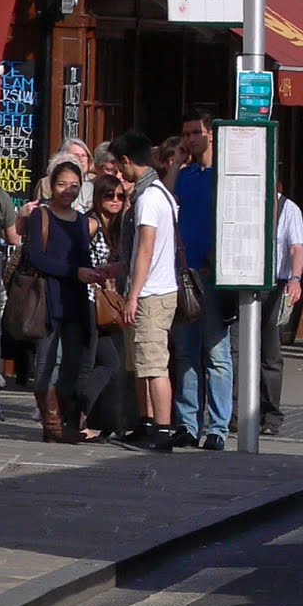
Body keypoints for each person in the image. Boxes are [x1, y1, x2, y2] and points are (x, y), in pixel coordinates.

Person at [104, 131, 180, 449]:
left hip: (152, 293)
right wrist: (117, 270)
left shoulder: (150, 199)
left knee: (153, 364)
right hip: (150, 288)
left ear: (127, 161)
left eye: (121, 168)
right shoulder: (159, 193)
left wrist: (133, 294)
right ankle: (145, 421)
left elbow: (146, 250)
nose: (120, 176)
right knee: (138, 363)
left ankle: (162, 430)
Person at [25, 158, 100, 443]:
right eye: (61, 184)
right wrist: (74, 272)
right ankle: (51, 423)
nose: (68, 190)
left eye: (74, 185)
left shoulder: (82, 221)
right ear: (50, 186)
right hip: (47, 298)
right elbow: (37, 258)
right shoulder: (40, 216)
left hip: (76, 300)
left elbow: (83, 257)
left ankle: (65, 419)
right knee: (45, 363)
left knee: (72, 363)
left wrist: (95, 272)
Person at [172, 107, 232, 449]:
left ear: (211, 133)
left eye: (196, 132)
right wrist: (177, 161)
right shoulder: (186, 174)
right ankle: (187, 423)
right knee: (186, 352)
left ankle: (218, 427)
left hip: (212, 275)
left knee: (216, 353)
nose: (191, 138)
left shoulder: (223, 174)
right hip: (184, 273)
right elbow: (165, 197)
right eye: (187, 133)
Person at [81, 173, 132, 439]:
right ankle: (77, 416)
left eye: (120, 196)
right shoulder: (91, 223)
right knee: (104, 362)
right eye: (109, 195)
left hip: (104, 304)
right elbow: (76, 254)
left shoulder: (116, 227)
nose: (115, 200)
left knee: (109, 361)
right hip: (88, 301)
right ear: (98, 197)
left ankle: (96, 419)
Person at [260, 187, 303, 437]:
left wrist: (295, 279)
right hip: (244, 284)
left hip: (275, 284)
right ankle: (238, 413)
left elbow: (297, 248)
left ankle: (271, 415)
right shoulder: (246, 203)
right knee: (237, 352)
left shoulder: (288, 208)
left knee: (270, 353)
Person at [59, 137, 95, 213]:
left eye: (83, 155)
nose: (81, 159)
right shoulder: (47, 182)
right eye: (76, 155)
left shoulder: (96, 182)